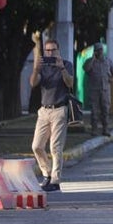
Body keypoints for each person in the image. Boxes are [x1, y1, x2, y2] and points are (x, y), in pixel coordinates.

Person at [30, 33, 74, 193]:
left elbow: (70, 83)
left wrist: (61, 68)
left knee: (55, 147)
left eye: (53, 50)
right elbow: (33, 83)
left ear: (58, 50)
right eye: (47, 51)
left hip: (59, 109)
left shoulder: (66, 64)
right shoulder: (43, 66)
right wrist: (36, 69)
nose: (50, 53)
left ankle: (55, 180)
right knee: (36, 146)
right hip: (44, 110)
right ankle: (46, 173)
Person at [82, 43, 113, 137]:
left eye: (100, 50)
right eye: (97, 50)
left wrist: (112, 78)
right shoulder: (90, 61)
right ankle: (94, 130)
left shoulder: (107, 61)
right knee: (94, 111)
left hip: (105, 90)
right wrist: (93, 58)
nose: (99, 52)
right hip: (94, 90)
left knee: (105, 110)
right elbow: (86, 69)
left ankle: (105, 129)